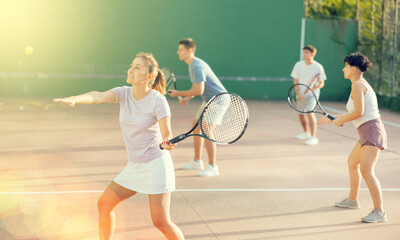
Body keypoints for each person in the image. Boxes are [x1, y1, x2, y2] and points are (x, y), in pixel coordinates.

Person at [53, 52, 185, 239]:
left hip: (156, 165)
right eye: (132, 65)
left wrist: (168, 142)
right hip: (134, 165)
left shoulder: (158, 101)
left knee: (161, 221)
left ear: (149, 76)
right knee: (104, 204)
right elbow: (97, 96)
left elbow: (167, 133)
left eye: (137, 67)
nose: (131, 69)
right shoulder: (123, 93)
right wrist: (76, 98)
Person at [318, 52, 387, 223]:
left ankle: (379, 211)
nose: (343, 69)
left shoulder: (357, 85)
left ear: (354, 69)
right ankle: (353, 200)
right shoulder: (358, 84)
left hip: (372, 131)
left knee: (367, 171)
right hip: (366, 131)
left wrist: (340, 119)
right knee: (352, 163)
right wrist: (333, 117)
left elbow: (359, 112)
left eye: (346, 66)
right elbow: (355, 112)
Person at [168, 38, 227, 177]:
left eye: (180, 50)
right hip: (209, 99)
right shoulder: (192, 65)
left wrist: (179, 93)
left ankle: (213, 166)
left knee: (207, 130)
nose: (178, 52)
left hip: (219, 100)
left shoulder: (196, 66)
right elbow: (197, 88)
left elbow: (199, 90)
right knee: (196, 126)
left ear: (189, 50)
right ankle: (197, 161)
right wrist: (187, 98)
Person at [291, 45, 327, 145]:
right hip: (301, 94)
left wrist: (314, 88)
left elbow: (321, 83)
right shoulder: (298, 65)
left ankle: (313, 137)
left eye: (307, 52)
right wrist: (298, 94)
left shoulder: (318, 67)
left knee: (310, 113)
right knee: (301, 114)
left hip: (313, 95)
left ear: (313, 54)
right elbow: (295, 81)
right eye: (304, 52)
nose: (304, 54)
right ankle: (306, 133)